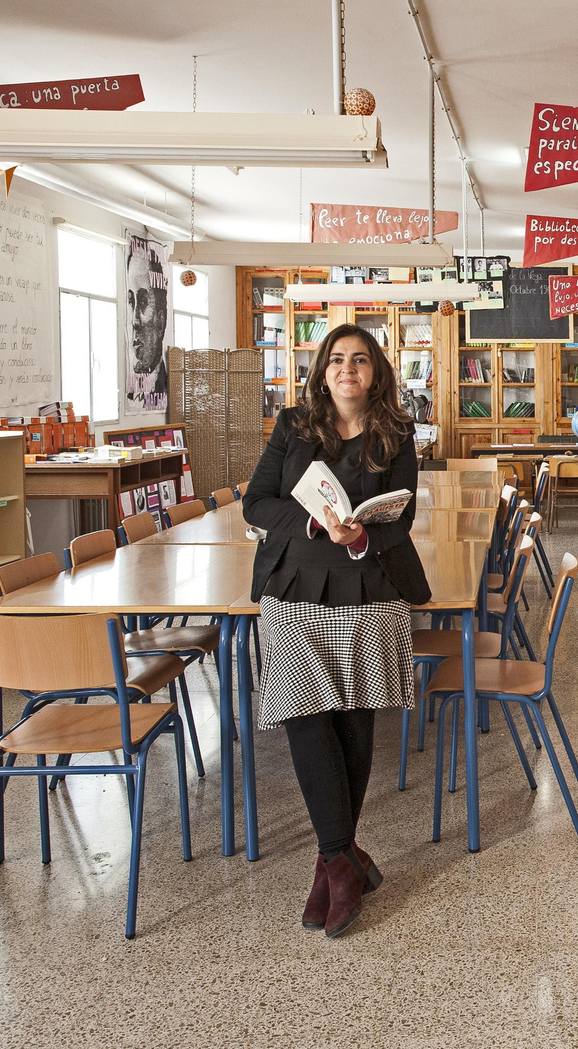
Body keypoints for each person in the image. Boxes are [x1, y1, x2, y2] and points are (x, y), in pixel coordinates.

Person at [243, 322, 430, 938]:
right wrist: (317, 521)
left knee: (355, 716)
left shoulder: (397, 433)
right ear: (322, 371)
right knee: (305, 715)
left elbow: (402, 515)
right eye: (337, 360)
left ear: (376, 372)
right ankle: (338, 856)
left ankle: (339, 862)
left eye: (360, 361)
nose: (348, 370)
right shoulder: (294, 426)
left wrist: (363, 532)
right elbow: (257, 503)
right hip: (296, 588)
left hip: (368, 586)